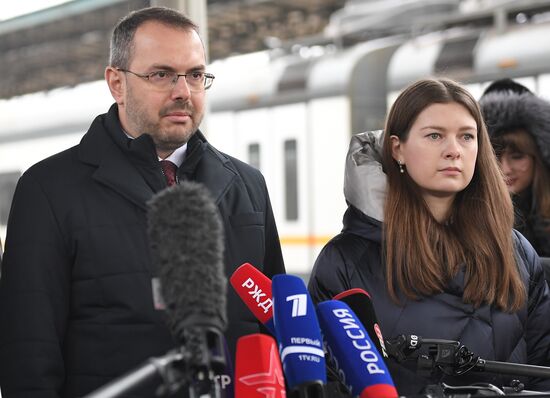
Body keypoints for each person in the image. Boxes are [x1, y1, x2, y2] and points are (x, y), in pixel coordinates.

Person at [0, 7, 285, 397]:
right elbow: (29, 357)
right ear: (117, 84)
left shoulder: (248, 187)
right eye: (161, 74)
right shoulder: (48, 190)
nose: (183, 91)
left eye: (196, 75)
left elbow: (274, 329)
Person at [308, 78, 550, 395]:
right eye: (435, 136)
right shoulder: (345, 260)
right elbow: (326, 381)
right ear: (398, 149)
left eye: (467, 136)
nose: (453, 151)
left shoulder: (517, 252)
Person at [479, 78, 550, 257]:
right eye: (494, 156)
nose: (505, 169)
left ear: (539, 157)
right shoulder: (472, 215)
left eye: (517, 156)